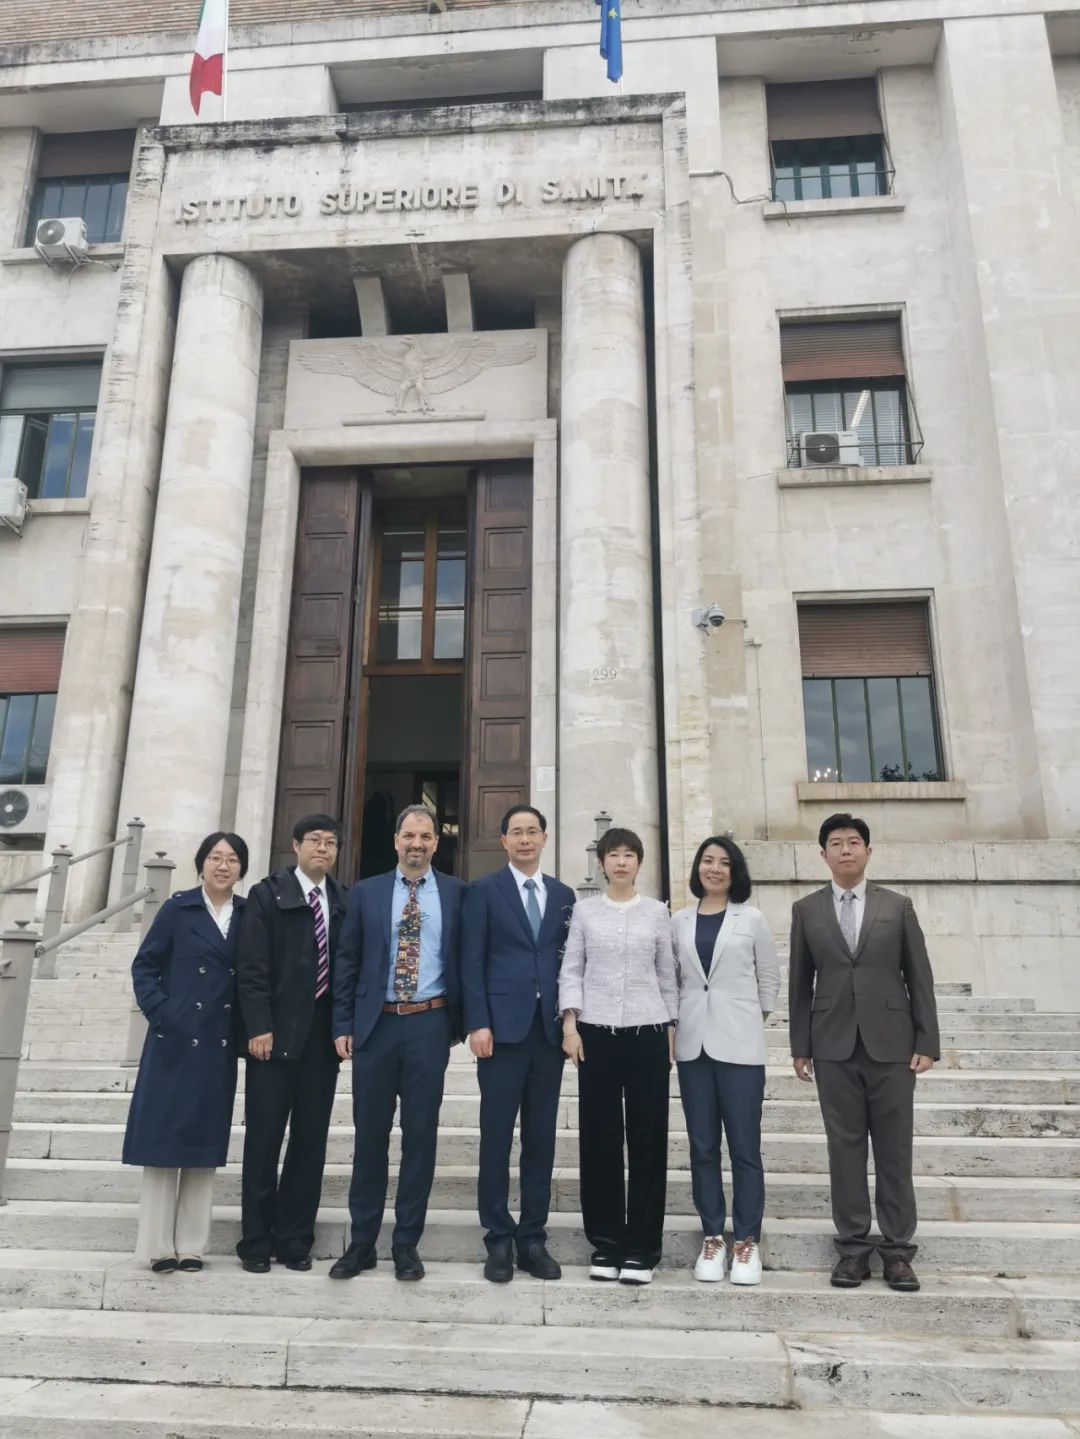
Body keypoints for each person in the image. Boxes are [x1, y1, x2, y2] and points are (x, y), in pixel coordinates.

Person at [789, 812, 940, 1293]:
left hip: (893, 1046)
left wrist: (927, 1040)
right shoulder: (806, 910)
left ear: (868, 851)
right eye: (836, 843)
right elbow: (800, 983)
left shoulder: (897, 906)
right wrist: (800, 1046)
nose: (846, 850)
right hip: (832, 1045)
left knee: (895, 1149)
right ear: (824, 855)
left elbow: (919, 975)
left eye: (854, 842)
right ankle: (853, 1249)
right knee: (844, 1148)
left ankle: (897, 1252)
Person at [330, 804, 466, 1282]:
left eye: (425, 837)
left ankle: (406, 1243)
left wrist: (465, 1023)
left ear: (436, 843)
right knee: (370, 1137)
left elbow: (467, 958)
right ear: (395, 840)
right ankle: (362, 1243)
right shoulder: (365, 893)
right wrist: (342, 1024)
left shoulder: (457, 893)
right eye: (409, 835)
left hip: (429, 1024)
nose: (417, 844)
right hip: (376, 1027)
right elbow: (346, 961)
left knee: (420, 1137)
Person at [123, 831, 248, 1272]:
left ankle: (192, 1245)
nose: (222, 866)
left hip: (217, 1043)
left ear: (241, 869)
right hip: (174, 1041)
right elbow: (145, 965)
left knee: (202, 1143)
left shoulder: (248, 914)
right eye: (215, 857)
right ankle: (157, 1247)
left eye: (232, 859)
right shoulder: (178, 908)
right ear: (201, 864)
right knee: (163, 1144)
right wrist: (164, 1013)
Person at [460, 805, 576, 1283]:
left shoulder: (564, 895)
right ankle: (497, 1238)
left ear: (545, 838)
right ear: (503, 840)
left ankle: (532, 1238)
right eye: (516, 832)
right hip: (501, 1034)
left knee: (540, 1139)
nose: (525, 839)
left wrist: (570, 1023)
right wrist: (478, 1023)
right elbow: (471, 960)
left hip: (547, 1034)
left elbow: (569, 961)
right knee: (496, 1137)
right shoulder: (483, 891)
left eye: (532, 832)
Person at [558, 826, 678, 1285]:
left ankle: (643, 1247)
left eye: (629, 855)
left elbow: (666, 975)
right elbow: (572, 969)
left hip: (648, 1032)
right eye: (614, 855)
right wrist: (570, 1025)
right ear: (602, 863)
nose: (621, 862)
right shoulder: (585, 912)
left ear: (639, 863)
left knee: (648, 1138)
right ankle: (606, 1242)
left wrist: (672, 1027)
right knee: (600, 1137)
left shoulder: (657, 913)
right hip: (597, 1034)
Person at [234, 813, 348, 1274]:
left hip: (321, 1041)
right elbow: (251, 966)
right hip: (274, 1037)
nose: (323, 848)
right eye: (314, 841)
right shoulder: (268, 894)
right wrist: (258, 1025)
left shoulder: (342, 900)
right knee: (263, 1141)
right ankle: (256, 1241)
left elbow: (347, 970)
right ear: (296, 845)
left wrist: (344, 1027)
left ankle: (295, 1239)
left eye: (331, 842)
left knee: (310, 1143)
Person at [671, 835, 780, 1287]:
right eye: (707, 861)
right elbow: (673, 978)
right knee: (702, 1147)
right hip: (692, 1046)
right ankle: (713, 1235)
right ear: (697, 868)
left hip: (739, 1046)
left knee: (744, 1147)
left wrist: (750, 1018)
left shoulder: (751, 918)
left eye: (723, 863)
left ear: (735, 872)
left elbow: (768, 976)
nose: (714, 869)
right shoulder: (678, 920)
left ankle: (747, 1239)